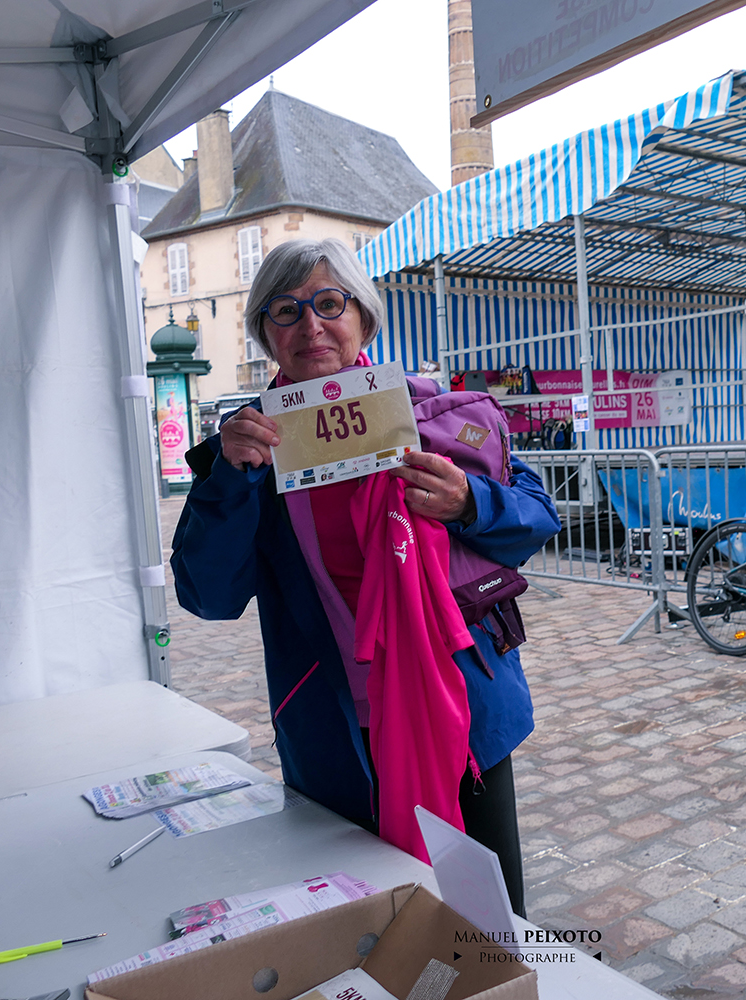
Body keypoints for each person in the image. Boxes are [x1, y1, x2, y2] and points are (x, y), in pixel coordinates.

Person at [171, 238, 559, 916]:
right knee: (372, 919)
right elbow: (208, 594)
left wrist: (470, 503)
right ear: (265, 332)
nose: (310, 326)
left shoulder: (433, 417)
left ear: (364, 318)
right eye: (285, 311)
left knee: (486, 925)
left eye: (329, 303)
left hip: (460, 711)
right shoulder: (249, 453)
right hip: (335, 730)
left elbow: (536, 518)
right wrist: (229, 482)